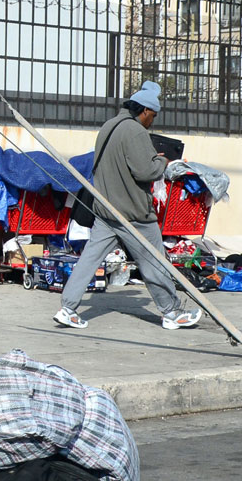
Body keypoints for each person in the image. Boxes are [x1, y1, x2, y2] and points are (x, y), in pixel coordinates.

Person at [53, 81, 201, 331]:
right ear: (144, 110)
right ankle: (171, 312)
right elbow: (145, 171)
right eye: (152, 116)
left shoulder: (108, 126)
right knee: (155, 261)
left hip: (105, 209)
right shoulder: (135, 131)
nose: (152, 121)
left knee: (89, 259)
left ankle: (67, 308)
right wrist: (162, 162)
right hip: (133, 213)